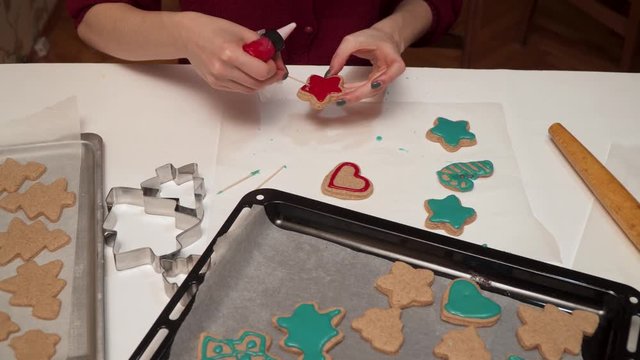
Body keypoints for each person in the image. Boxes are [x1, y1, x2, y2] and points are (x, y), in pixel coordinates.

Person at [68, 0, 461, 105]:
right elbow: (93, 14)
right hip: (215, 109)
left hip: (362, 104)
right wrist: (181, 32)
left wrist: (392, 29)